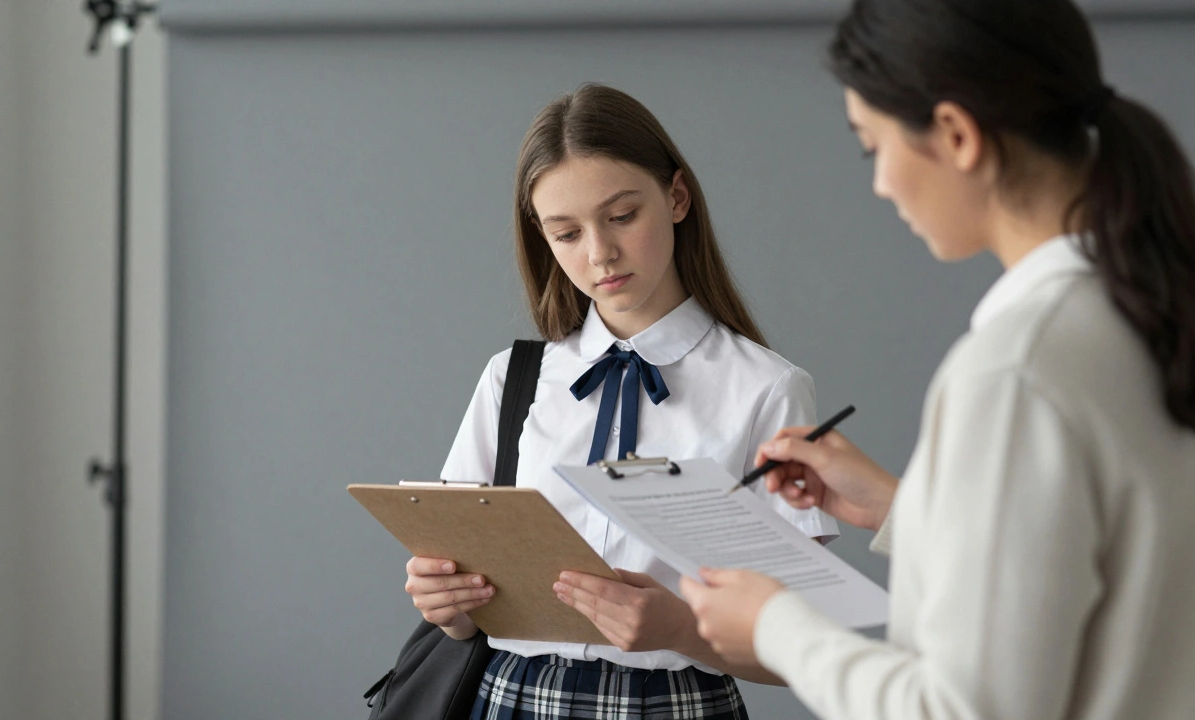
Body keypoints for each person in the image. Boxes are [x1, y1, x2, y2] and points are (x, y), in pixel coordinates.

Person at [680, 1, 1195, 718]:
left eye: (873, 146)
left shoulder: (1016, 372)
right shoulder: (1148, 312)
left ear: (955, 134)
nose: (881, 184)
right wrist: (908, 508)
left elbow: (960, 709)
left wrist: (774, 626)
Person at [402, 83, 839, 719]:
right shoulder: (512, 379)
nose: (599, 252)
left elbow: (806, 646)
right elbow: (468, 607)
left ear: (678, 197)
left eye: (622, 215)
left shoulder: (766, 390)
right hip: (509, 699)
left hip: (675, 705)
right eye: (566, 232)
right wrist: (448, 606)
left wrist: (681, 630)